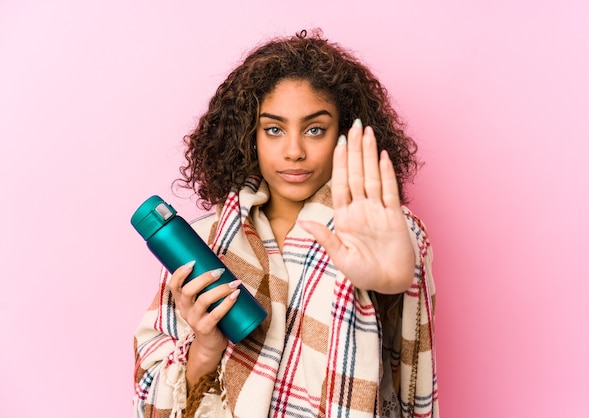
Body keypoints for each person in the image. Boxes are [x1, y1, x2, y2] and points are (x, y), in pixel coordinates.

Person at [133, 29, 438, 418]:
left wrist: (397, 284)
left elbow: (409, 373)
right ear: (250, 136)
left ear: (342, 134)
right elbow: (149, 391)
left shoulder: (385, 230)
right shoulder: (207, 240)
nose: (294, 151)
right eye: (274, 129)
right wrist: (204, 347)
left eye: (314, 129)